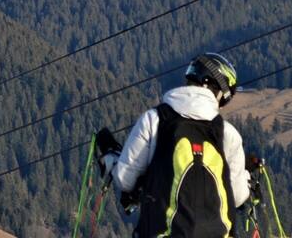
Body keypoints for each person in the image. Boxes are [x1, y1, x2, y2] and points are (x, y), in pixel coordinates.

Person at [99, 53, 253, 237]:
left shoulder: (154, 120)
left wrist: (112, 160)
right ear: (219, 92)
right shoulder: (228, 135)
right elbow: (237, 196)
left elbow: (125, 179)